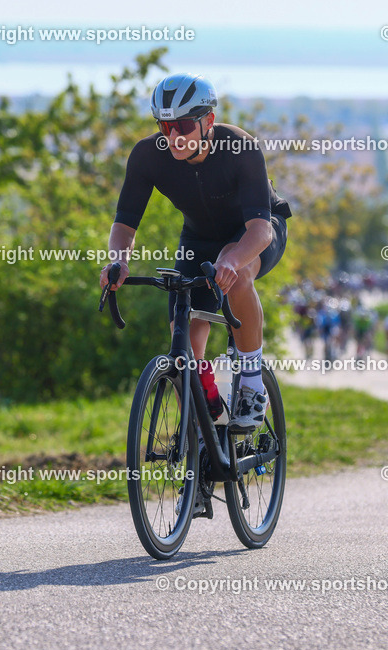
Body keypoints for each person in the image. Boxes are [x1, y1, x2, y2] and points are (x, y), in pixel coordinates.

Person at [99, 73, 290, 430]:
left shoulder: (239, 147)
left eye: (184, 125)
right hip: (198, 239)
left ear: (208, 121)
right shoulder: (147, 155)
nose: (173, 136)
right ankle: (206, 424)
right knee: (185, 341)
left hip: (257, 232)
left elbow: (259, 231)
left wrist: (232, 260)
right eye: (165, 125)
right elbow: (125, 223)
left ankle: (251, 384)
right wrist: (117, 261)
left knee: (238, 274)